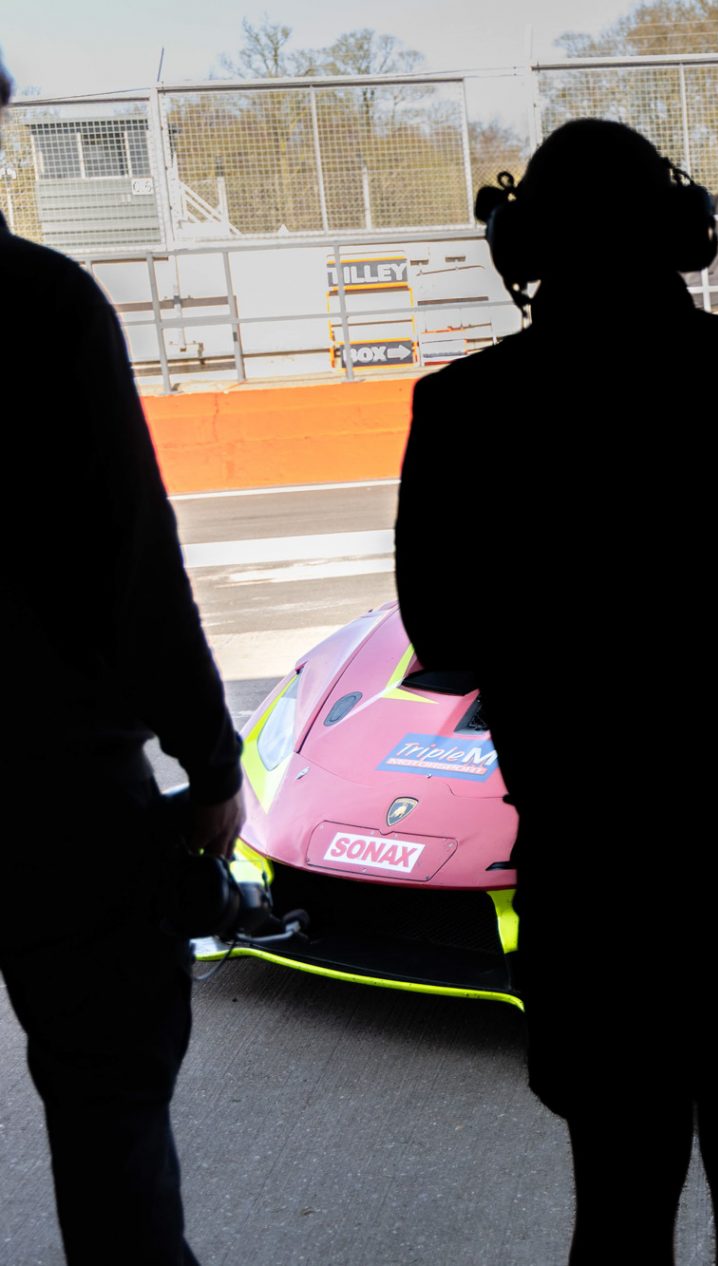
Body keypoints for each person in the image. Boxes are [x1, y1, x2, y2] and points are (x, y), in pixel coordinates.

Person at [394, 119, 718, 1264]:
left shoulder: (463, 408)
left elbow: (443, 631)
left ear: (526, 249)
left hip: (595, 878)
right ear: (680, 236)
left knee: (617, 1215)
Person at [0, 53, 243, 1266]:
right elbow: (137, 561)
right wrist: (210, 758)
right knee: (112, 1136)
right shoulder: (42, 303)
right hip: (57, 797)